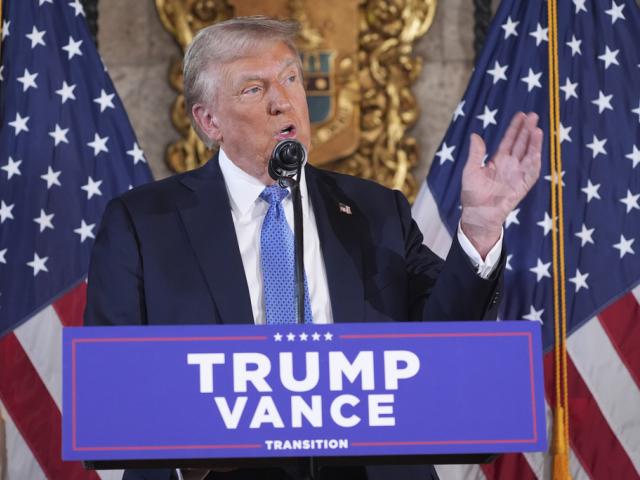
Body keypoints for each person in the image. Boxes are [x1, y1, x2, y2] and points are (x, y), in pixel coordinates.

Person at [84, 16, 542, 480]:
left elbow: (447, 340)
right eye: (253, 89)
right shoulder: (142, 225)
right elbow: (114, 392)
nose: (283, 101)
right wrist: (184, 454)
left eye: (290, 79)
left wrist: (481, 229)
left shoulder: (376, 210)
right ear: (209, 120)